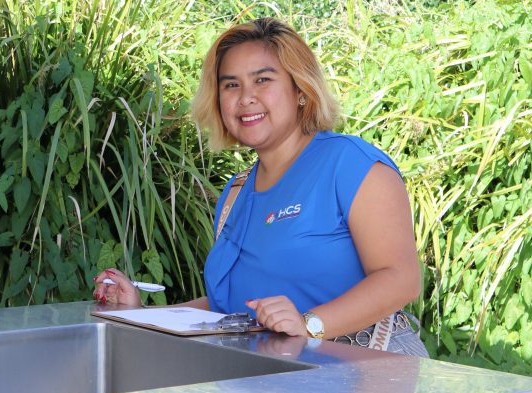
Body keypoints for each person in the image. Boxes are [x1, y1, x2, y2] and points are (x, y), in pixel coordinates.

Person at [93, 17, 427, 356]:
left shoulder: (351, 164)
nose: (246, 98)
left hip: (366, 370)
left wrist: (310, 324)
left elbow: (400, 279)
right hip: (283, 376)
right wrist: (141, 314)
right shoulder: (236, 193)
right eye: (231, 85)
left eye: (262, 80)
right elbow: (230, 308)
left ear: (300, 89)